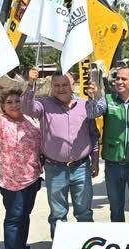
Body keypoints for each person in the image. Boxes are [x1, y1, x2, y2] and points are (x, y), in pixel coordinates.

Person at [22, 67, 99, 236]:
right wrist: (30, 84)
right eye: (56, 85)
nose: (61, 88)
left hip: (81, 167)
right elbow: (27, 108)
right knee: (58, 214)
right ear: (51, 86)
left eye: (65, 84)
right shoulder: (43, 104)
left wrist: (95, 159)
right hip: (55, 168)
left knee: (84, 212)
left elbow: (94, 135)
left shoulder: (85, 105)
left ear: (73, 84)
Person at [88, 66, 129, 223]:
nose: (119, 81)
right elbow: (92, 113)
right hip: (113, 165)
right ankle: (119, 241)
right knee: (116, 209)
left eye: (123, 79)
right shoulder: (108, 100)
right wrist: (93, 97)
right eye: (117, 78)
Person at [0, 83, 43, 249]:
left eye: (17, 101)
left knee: (25, 216)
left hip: (32, 177)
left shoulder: (31, 120)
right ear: (3, 106)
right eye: (9, 102)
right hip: (11, 181)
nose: (14, 104)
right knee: (14, 217)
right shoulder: (0, 122)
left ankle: (22, 247)